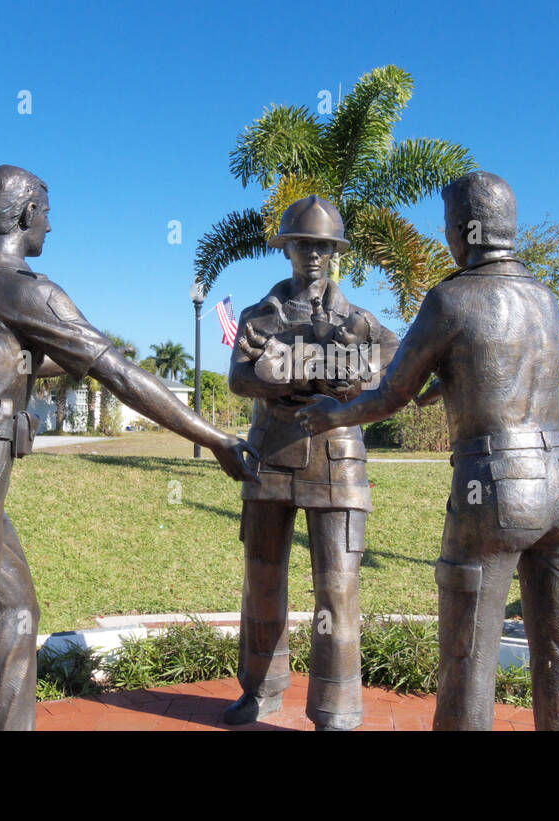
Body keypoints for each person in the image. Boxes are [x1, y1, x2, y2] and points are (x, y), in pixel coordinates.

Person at [0, 164, 258, 731]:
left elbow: (10, 358)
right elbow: (119, 375)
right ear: (25, 215)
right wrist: (214, 437)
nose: (51, 224)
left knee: (17, 615)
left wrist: (76, 350)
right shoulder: (25, 290)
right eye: (46, 211)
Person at [298, 172, 559, 731]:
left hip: (498, 487)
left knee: (468, 654)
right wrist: (448, 383)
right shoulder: (544, 298)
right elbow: (504, 374)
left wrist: (332, 416)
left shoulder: (451, 297)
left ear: (463, 231)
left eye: (447, 228)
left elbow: (390, 393)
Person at [223, 195, 397, 731]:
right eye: (303, 245)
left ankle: (336, 708)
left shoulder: (362, 321)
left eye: (322, 246)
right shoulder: (260, 315)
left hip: (338, 457)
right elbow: (238, 378)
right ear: (289, 251)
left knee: (337, 587)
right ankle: (260, 690)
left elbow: (395, 369)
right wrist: (288, 375)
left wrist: (353, 376)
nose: (313, 255)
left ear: (333, 252)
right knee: (263, 577)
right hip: (270, 453)